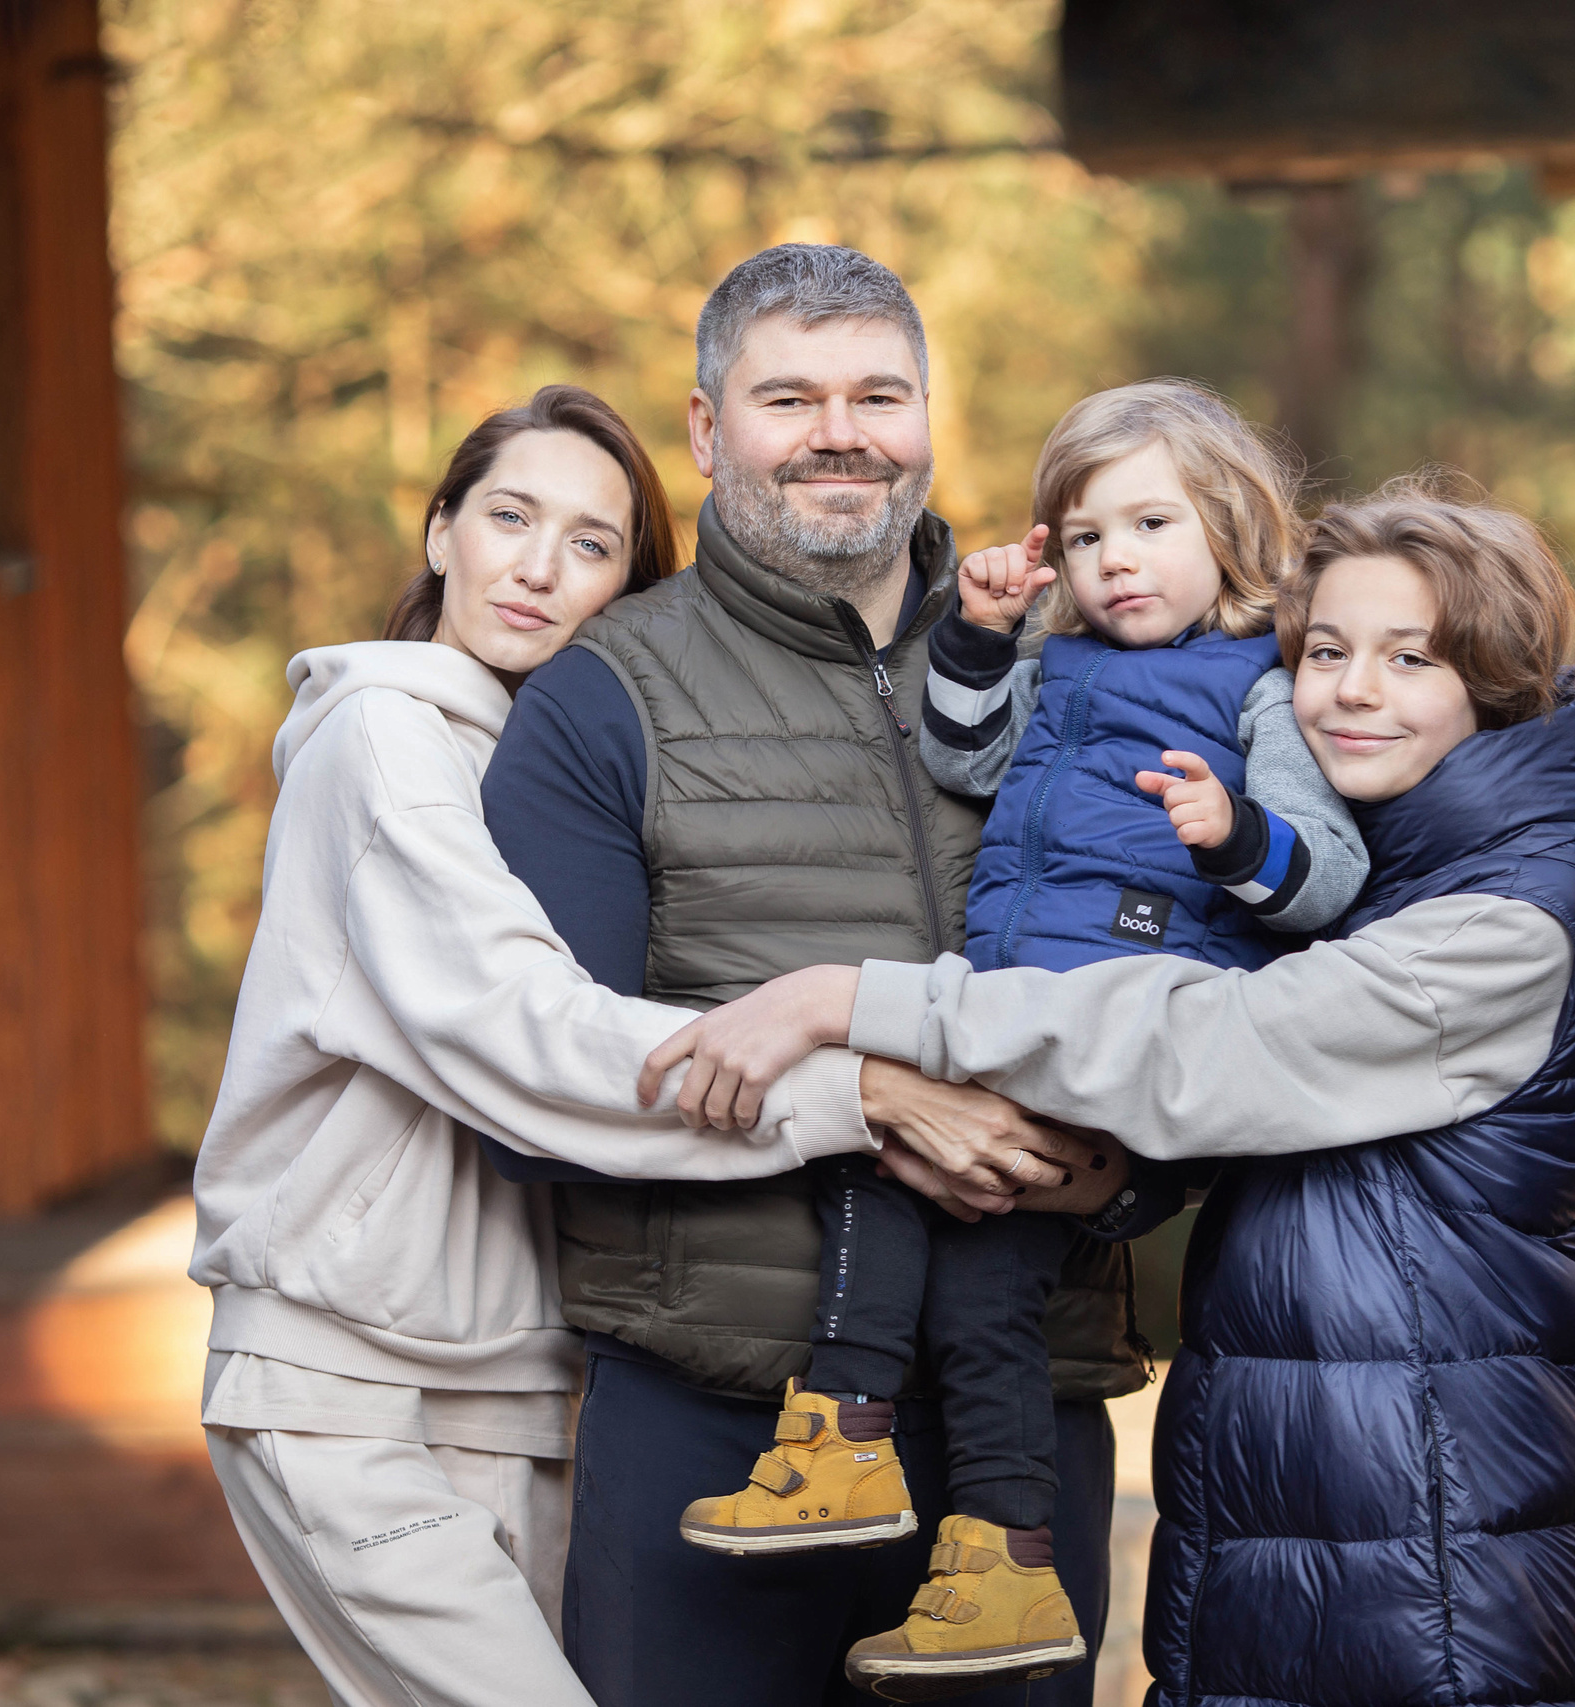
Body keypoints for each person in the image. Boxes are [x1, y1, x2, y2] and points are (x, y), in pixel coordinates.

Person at [666, 474, 1575, 1707]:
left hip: (1439, 1566)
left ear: (1501, 681)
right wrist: (1113, 1180)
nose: (1352, 690)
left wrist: (851, 1003)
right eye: (1324, 651)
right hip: (1315, 1535)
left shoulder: (1505, 927)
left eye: (1411, 658)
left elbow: (1212, 1048)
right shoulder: (1388, 884)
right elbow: (1301, 1150)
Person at [478, 244, 1137, 1707]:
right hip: (714, 1420)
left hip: (1020, 1423)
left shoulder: (1086, 666)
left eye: (878, 393)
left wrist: (1125, 1171)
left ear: (926, 416)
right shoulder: (605, 697)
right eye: (789, 395)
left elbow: (1211, 979)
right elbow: (533, 1084)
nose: (841, 429)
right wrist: (882, 1096)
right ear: (708, 432)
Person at [665, 380, 1366, 1698]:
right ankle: (927, 1499)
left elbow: (1326, 874)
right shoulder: (1063, 665)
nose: (1116, 559)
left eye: (1150, 523)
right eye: (1085, 536)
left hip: (1121, 1032)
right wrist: (984, 636)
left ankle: (921, 1494)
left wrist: (1237, 836)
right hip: (1002, 1009)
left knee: (954, 1241)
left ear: (1226, 524)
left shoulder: (1262, 686)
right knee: (907, 1199)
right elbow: (964, 757)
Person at [187, 385, 881, 1707]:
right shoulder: (383, 738)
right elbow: (528, 1033)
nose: (537, 565)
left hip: (515, 1374)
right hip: (343, 1370)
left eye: (591, 542)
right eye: (509, 515)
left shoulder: (553, 764)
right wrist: (868, 1082)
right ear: (443, 529)